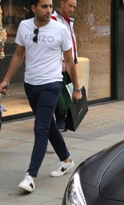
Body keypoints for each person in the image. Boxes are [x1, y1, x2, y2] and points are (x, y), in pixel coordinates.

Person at [0, 0, 81, 193]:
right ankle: (66, 159)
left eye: (50, 6)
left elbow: (69, 61)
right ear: (33, 8)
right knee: (48, 125)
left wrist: (77, 88)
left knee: (40, 128)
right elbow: (18, 55)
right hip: (30, 84)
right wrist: (6, 80)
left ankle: (31, 176)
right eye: (44, 6)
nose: (48, 10)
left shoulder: (60, 29)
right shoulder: (24, 26)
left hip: (51, 84)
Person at [50, 0, 77, 132]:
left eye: (74, 7)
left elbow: (71, 42)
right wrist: (61, 60)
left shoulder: (68, 21)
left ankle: (62, 118)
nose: (72, 9)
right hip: (59, 63)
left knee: (66, 89)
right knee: (60, 92)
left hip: (69, 61)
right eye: (70, 6)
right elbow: (54, 43)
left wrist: (74, 60)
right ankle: (59, 119)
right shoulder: (53, 20)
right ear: (62, 3)